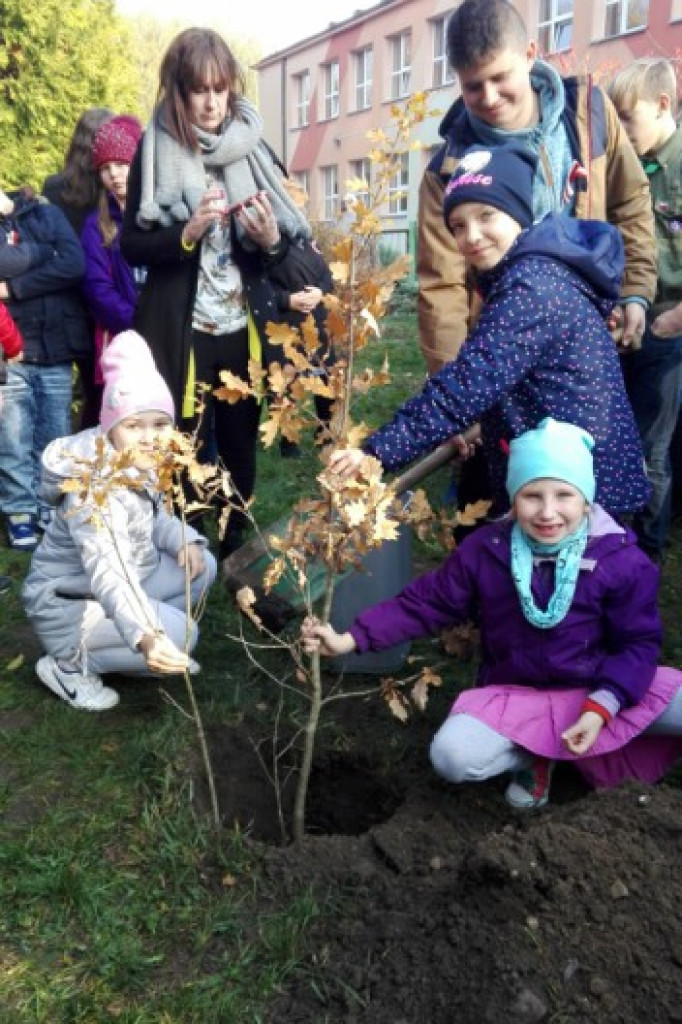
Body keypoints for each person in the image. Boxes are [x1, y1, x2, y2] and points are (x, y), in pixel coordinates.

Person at [303, 418, 682, 809]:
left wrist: (604, 705)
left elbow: (637, 643)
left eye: (564, 495)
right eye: (532, 495)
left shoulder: (619, 560)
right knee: (453, 757)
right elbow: (426, 602)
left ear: (586, 499)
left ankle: (590, 738)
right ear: (513, 497)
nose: (548, 512)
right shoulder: (488, 550)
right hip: (519, 695)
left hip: (598, 687)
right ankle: (535, 755)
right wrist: (350, 638)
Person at [330, 143, 649, 520]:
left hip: (583, 494)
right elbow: (512, 377)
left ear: (518, 215)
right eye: (458, 226)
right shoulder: (528, 274)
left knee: (568, 580)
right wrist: (471, 428)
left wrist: (374, 453)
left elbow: (466, 384)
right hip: (568, 480)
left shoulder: (531, 289)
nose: (472, 236)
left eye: (487, 216)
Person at [121, 27, 314, 561]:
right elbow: (131, 246)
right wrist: (183, 236)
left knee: (238, 445)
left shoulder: (253, 148)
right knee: (180, 443)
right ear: (178, 93)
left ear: (232, 89)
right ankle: (182, 543)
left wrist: (270, 239)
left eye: (220, 89)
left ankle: (235, 544)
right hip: (182, 334)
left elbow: (298, 258)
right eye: (197, 90)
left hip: (242, 330)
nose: (211, 103)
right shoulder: (154, 148)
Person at [417, 0, 655, 375]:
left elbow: (630, 200)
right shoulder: (445, 171)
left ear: (530, 54)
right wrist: (457, 388)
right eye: (473, 86)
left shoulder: (589, 113)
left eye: (500, 78)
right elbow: (442, 290)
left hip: (593, 339)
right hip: (502, 354)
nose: (490, 98)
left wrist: (635, 290)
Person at [22, 330, 217, 712]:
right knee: (184, 636)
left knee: (202, 566)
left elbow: (154, 515)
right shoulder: (93, 489)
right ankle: (71, 665)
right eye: (135, 425)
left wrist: (184, 539)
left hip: (120, 579)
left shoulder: (134, 461)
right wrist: (147, 635)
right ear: (111, 426)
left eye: (159, 424)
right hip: (69, 602)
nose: (149, 438)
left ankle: (129, 643)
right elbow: (109, 570)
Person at [606, 59, 682, 563]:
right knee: (619, 436)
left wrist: (676, 319)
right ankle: (613, 542)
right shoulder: (630, 166)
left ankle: (645, 558)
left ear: (662, 104)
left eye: (627, 119)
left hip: (670, 322)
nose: (623, 132)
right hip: (629, 318)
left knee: (651, 450)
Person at [0, 186, 90, 551]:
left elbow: (73, 264)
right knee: (13, 438)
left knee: (54, 437)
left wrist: (13, 288)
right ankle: (19, 513)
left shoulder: (45, 213)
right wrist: (43, 254)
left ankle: (48, 507)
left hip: (55, 344)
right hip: (11, 350)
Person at [43, 107, 113, 428]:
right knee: (106, 389)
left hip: (69, 303)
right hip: (103, 298)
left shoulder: (55, 188)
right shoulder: (112, 189)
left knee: (88, 389)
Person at [81, 114, 144, 416]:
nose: (115, 174)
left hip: (168, 332)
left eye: (121, 164)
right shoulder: (97, 224)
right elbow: (97, 288)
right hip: (121, 339)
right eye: (105, 169)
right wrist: (137, 322)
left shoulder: (159, 213)